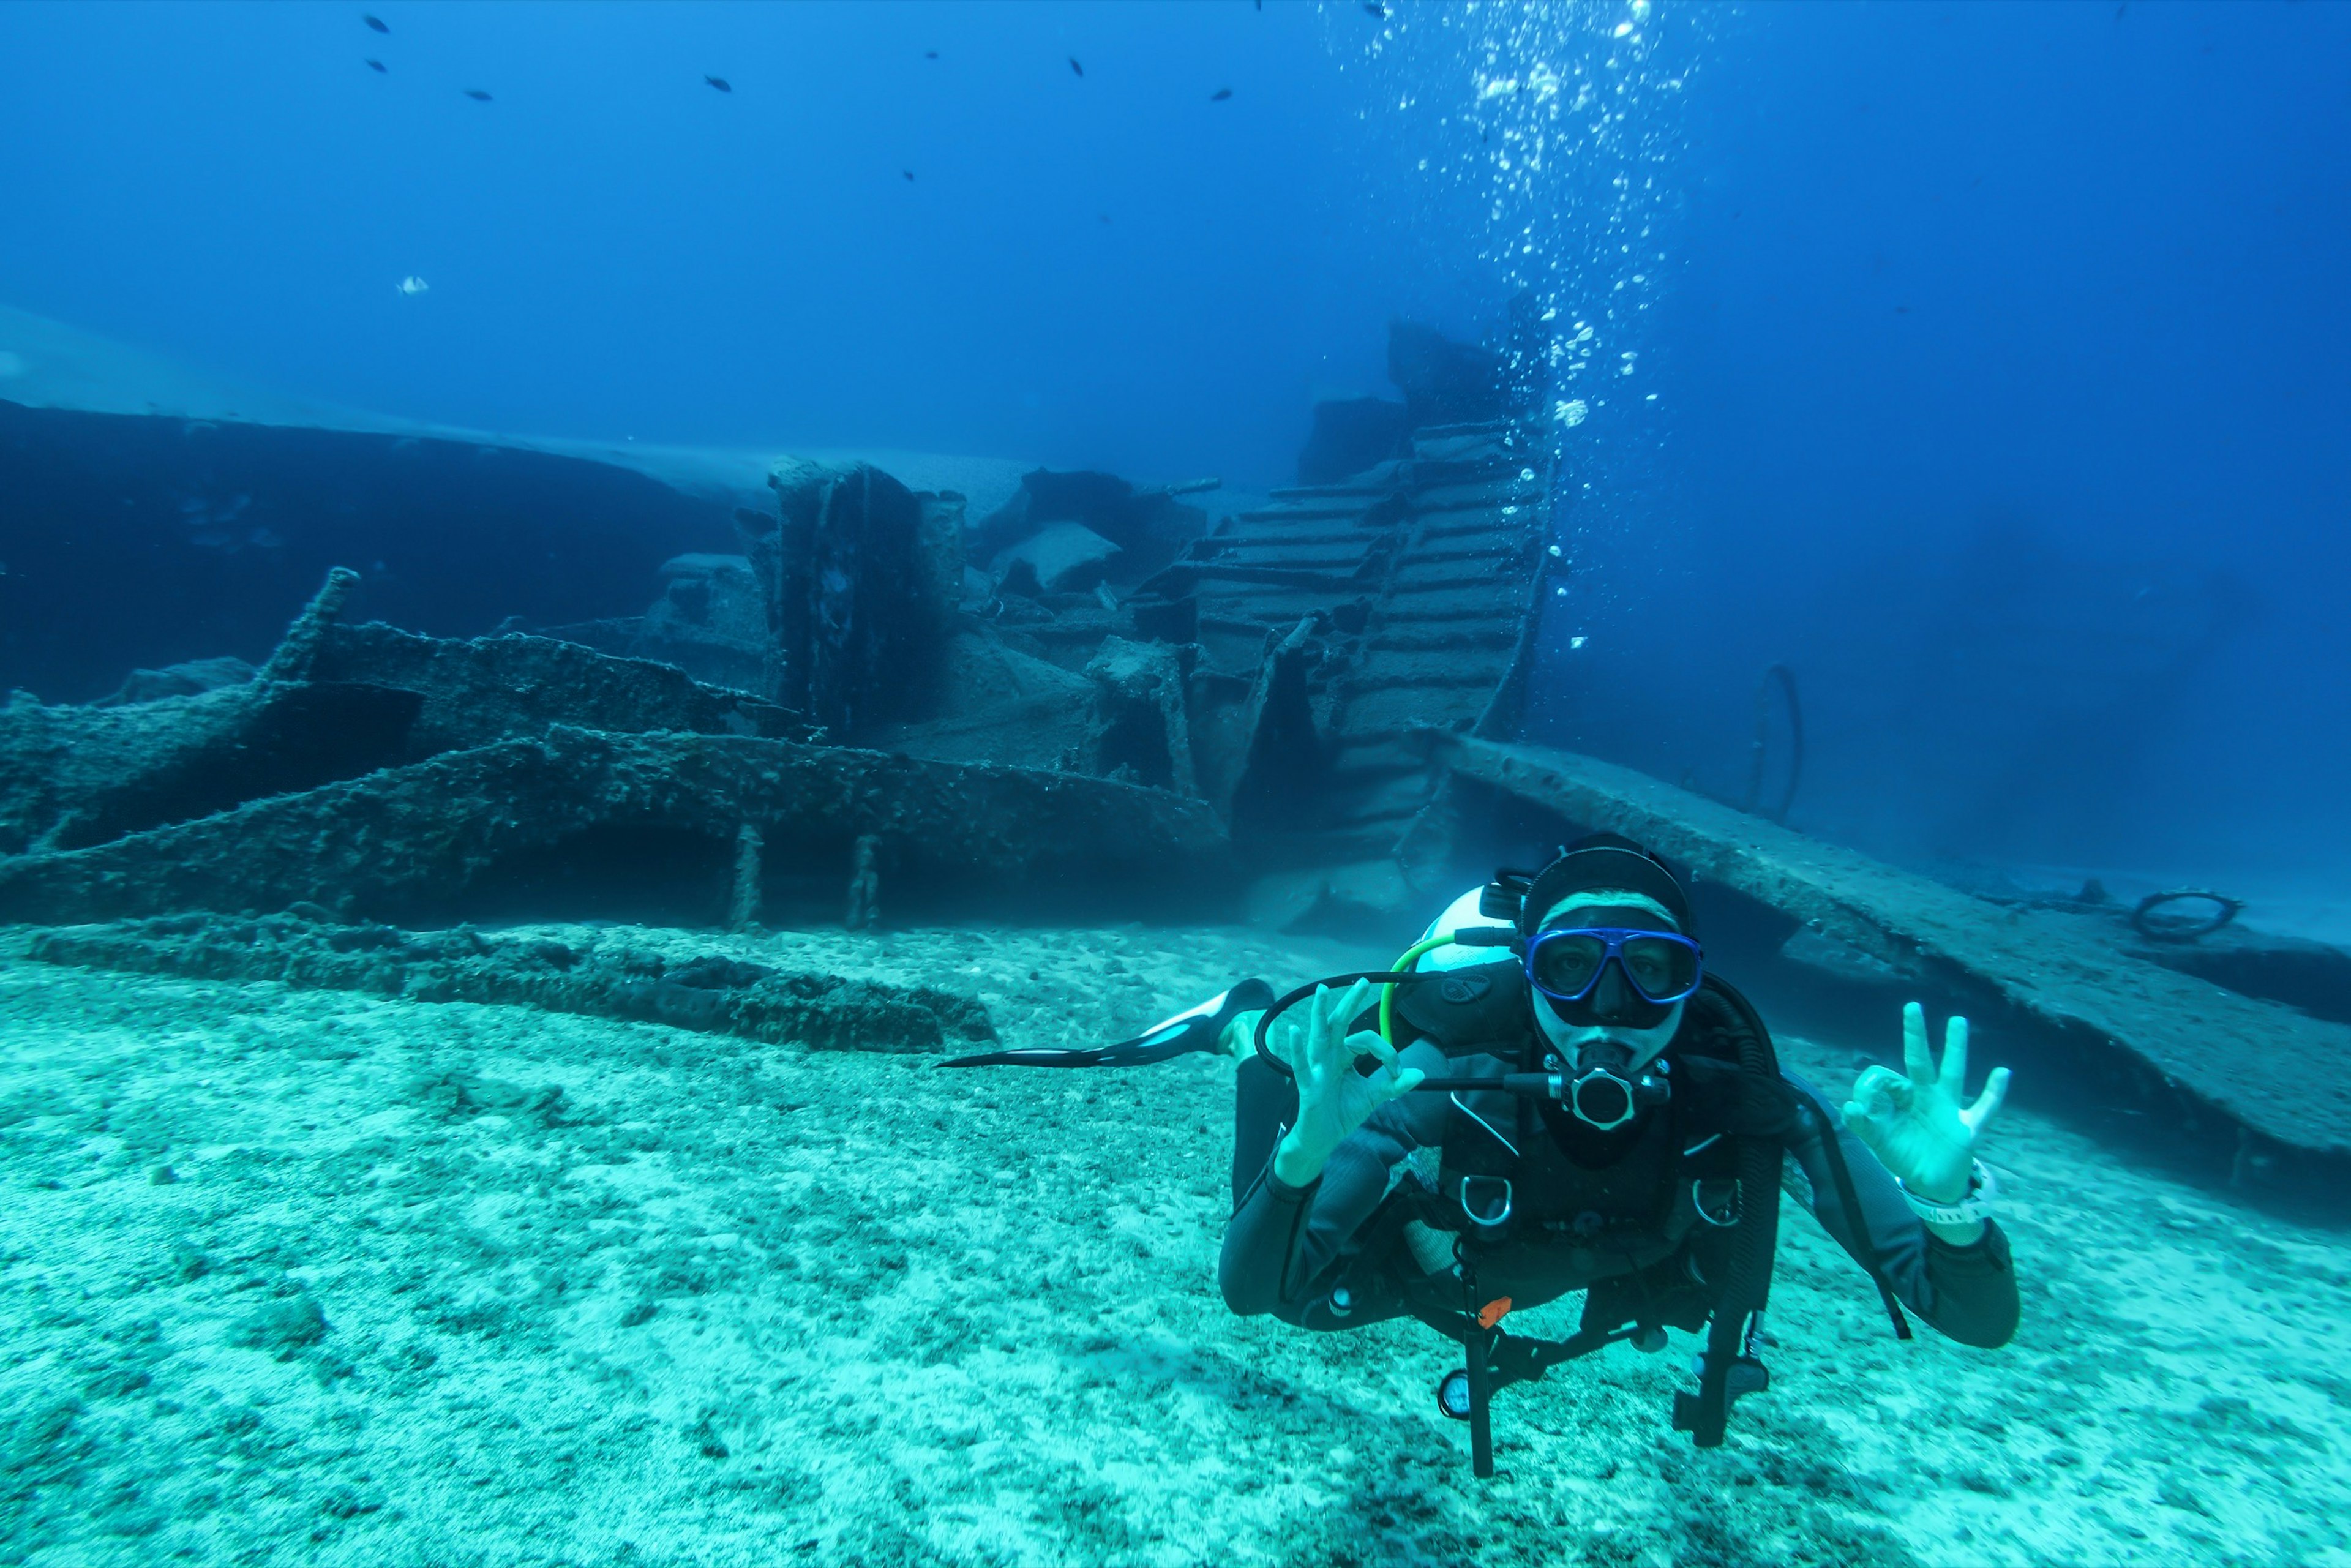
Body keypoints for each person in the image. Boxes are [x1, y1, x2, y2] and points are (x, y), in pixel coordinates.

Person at [1216, 834, 2018, 1463]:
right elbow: (1258, 1289)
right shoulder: (1457, 1073)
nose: (1606, 1012)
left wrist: (1949, 1202)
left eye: (1648, 969)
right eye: (1569, 967)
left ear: (1689, 981)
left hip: (1588, 1278)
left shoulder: (1754, 1101)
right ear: (1527, 975)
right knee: (1307, 1298)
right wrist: (1308, 1149)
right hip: (1475, 1271)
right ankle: (1253, 1050)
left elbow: (1973, 1317)